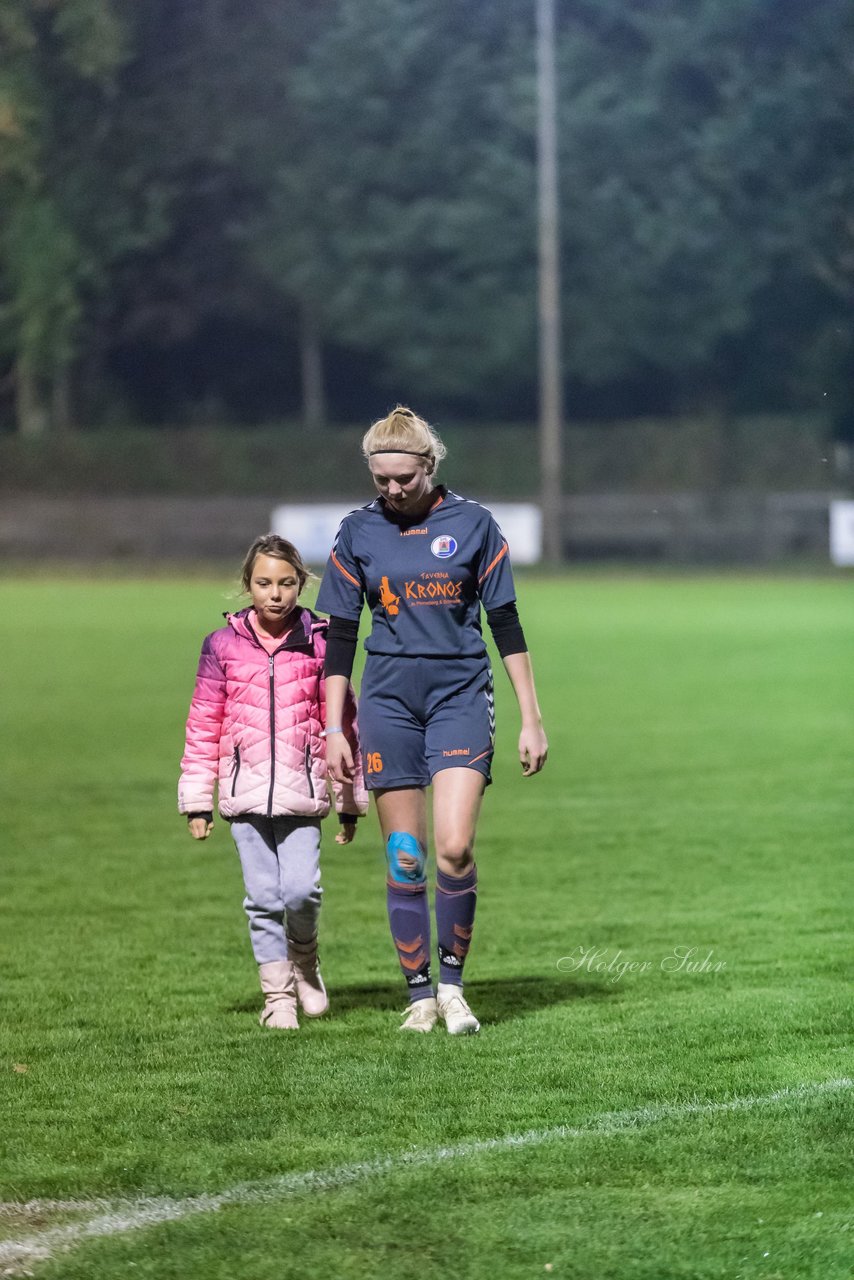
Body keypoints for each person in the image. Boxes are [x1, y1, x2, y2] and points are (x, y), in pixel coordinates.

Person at [316, 407, 548, 1035]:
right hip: (388, 701)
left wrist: (531, 718)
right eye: (381, 480)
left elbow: (506, 624)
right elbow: (340, 636)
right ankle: (419, 997)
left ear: (430, 465)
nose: (393, 490)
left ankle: (453, 988)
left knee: (453, 847)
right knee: (405, 856)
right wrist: (334, 727)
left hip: (460, 696)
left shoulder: (473, 524)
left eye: (405, 478)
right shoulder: (357, 531)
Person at [178, 534, 367, 1030]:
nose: (276, 594)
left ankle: (305, 959)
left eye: (286, 583)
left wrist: (349, 801)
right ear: (248, 585)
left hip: (303, 792)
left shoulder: (322, 643)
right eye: (264, 583)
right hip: (243, 794)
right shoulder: (220, 646)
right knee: (262, 899)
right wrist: (197, 800)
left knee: (302, 892)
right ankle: (277, 997)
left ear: (301, 584)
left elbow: (345, 724)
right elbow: (204, 723)